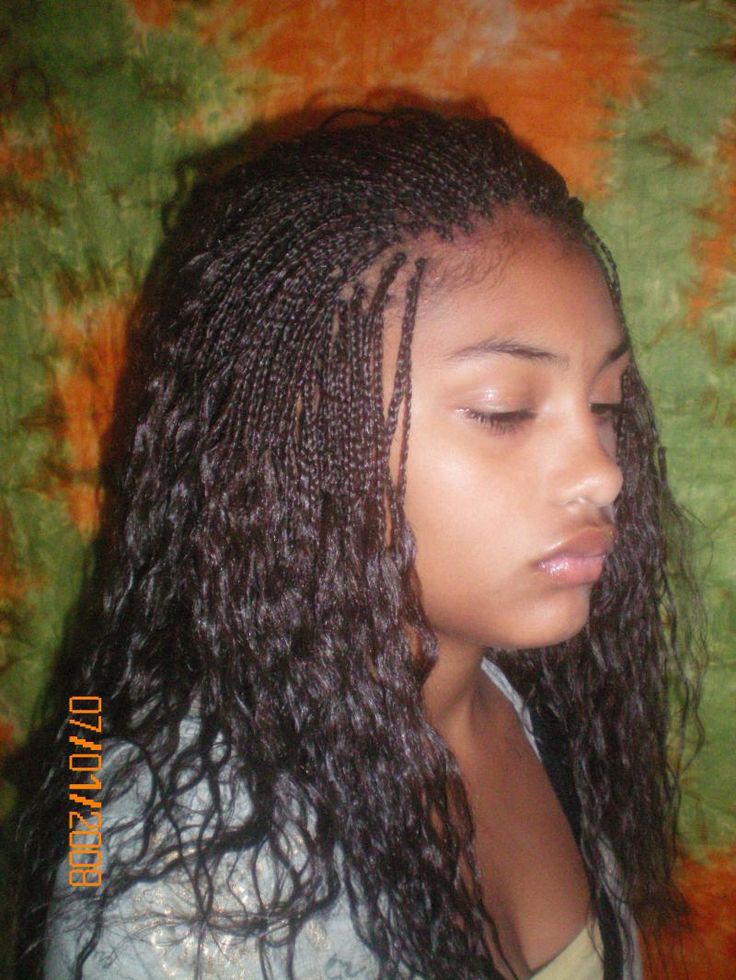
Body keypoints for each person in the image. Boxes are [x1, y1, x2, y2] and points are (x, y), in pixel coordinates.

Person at [18, 106, 704, 979]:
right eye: (502, 410)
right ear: (301, 435)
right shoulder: (179, 898)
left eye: (605, 404)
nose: (604, 474)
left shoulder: (519, 702)